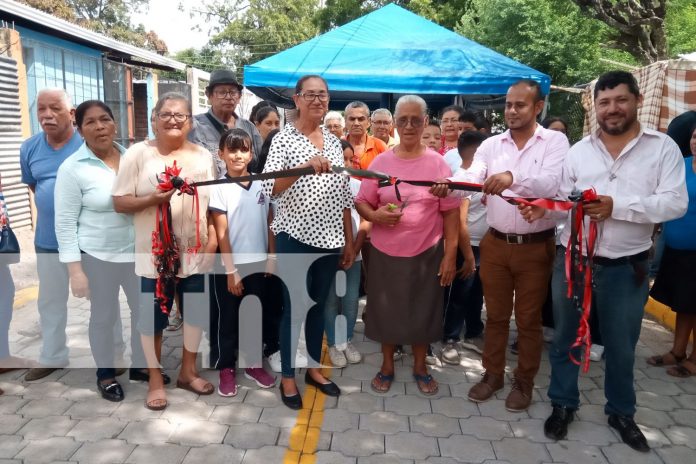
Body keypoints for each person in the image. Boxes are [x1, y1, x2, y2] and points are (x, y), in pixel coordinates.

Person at [519, 71, 688, 452]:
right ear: (596, 107)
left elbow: (675, 203)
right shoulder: (578, 151)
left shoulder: (663, 149)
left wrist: (619, 207)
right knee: (564, 338)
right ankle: (563, 404)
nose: (612, 109)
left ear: (638, 100)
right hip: (573, 260)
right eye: (604, 102)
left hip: (626, 267)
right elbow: (566, 204)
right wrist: (543, 212)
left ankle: (621, 412)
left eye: (620, 100)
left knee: (622, 344)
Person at [462, 79, 568, 412]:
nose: (511, 110)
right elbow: (474, 176)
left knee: (527, 320)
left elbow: (551, 183)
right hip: (494, 243)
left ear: (538, 107)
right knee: (494, 316)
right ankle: (492, 376)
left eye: (520, 105)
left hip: (535, 246)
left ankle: (523, 382)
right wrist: (448, 186)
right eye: (508, 104)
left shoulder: (555, 141)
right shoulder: (491, 144)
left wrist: (510, 177)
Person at [112, 92, 217, 410]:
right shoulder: (138, 154)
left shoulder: (202, 155)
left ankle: (188, 371)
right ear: (155, 118)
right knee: (153, 319)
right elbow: (120, 201)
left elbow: (211, 204)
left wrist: (211, 241)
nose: (173, 119)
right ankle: (155, 379)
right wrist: (152, 200)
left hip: (193, 250)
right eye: (166, 114)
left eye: (181, 115)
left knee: (195, 315)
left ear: (190, 122)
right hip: (155, 253)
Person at [355, 94, 460, 396]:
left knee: (423, 311)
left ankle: (420, 367)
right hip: (386, 252)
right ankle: (387, 365)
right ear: (395, 124)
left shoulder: (438, 165)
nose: (410, 125)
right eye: (404, 120)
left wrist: (450, 255)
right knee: (387, 311)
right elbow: (362, 201)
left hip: (427, 251)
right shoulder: (381, 162)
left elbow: (451, 213)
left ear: (426, 122)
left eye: (417, 120)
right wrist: (375, 215)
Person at [262, 75, 355, 410]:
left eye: (323, 95)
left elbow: (344, 194)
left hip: (330, 238)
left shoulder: (333, 140)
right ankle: (288, 376)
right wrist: (302, 168)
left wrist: (348, 239)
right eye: (310, 95)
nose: (318, 100)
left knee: (318, 307)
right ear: (297, 100)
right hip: (294, 237)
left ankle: (314, 369)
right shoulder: (282, 140)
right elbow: (268, 190)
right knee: (294, 309)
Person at [54, 100, 145, 402]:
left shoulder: (132, 157)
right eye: (90, 122)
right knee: (103, 316)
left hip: (136, 252)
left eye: (105, 119)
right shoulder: (72, 168)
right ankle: (105, 375)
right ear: (79, 129)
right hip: (97, 256)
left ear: (115, 124)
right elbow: (65, 223)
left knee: (143, 313)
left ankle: (140, 368)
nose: (99, 126)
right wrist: (75, 271)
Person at [19, 88, 83, 381]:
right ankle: (53, 355)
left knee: (101, 300)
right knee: (50, 300)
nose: (47, 115)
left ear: (71, 114)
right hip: (48, 240)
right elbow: (35, 188)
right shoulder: (29, 148)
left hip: (87, 242)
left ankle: (111, 356)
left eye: (55, 108)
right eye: (41, 109)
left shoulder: (89, 144)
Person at [209, 128, 278, 396]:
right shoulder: (219, 187)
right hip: (231, 266)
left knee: (254, 314)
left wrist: (272, 257)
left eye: (244, 150)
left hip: (259, 263)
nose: (238, 155)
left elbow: (270, 221)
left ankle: (252, 363)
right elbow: (222, 231)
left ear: (252, 154)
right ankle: (226, 367)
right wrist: (231, 271)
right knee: (227, 318)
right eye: (232, 150)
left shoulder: (262, 183)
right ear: (222, 154)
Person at [648, 123, 696, 377]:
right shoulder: (683, 165)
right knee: (683, 304)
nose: (695, 141)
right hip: (677, 249)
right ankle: (677, 351)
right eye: (694, 136)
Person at [441, 130, 488, 364]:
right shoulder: (465, 177)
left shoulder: (487, 175)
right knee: (460, 293)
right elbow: (460, 220)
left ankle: (473, 332)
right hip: (467, 246)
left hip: (486, 246)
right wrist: (469, 256)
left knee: (476, 292)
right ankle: (450, 337)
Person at [325, 140, 366, 368]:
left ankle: (346, 340)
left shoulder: (359, 185)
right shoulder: (323, 187)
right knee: (331, 300)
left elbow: (366, 222)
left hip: (354, 255)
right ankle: (333, 342)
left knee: (350, 300)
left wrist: (354, 248)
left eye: (351, 159)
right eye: (342, 159)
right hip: (329, 254)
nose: (347, 164)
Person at [188, 69, 263, 177]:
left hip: (243, 191)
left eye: (233, 92)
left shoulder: (249, 128)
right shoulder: (194, 126)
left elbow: (259, 165)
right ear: (209, 96)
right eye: (222, 92)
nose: (228, 97)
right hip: (208, 191)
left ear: (239, 97)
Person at [345, 101, 388, 169]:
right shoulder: (337, 146)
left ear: (369, 122)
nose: (356, 123)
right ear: (345, 122)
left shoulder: (380, 146)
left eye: (361, 119)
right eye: (352, 119)